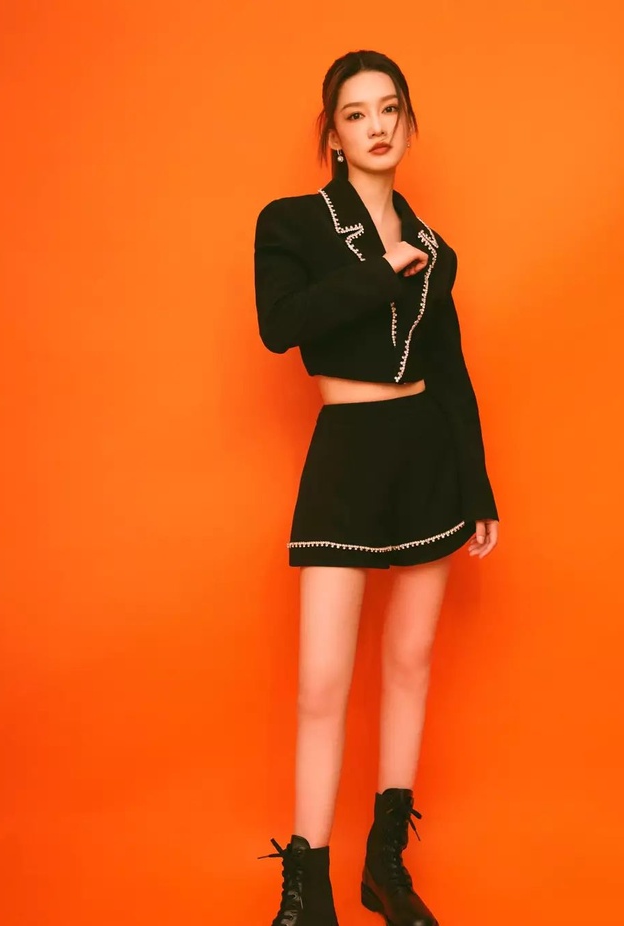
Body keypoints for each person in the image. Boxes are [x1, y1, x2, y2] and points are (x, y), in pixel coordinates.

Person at [252, 50, 500, 926]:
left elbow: (451, 370)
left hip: (427, 454)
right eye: (356, 114)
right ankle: (307, 887)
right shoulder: (292, 222)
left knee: (409, 662)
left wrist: (478, 489)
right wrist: (379, 269)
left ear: (408, 120)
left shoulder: (437, 249)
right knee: (322, 680)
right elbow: (281, 324)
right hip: (348, 449)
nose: (376, 126)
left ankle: (384, 868)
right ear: (334, 133)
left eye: (389, 108)